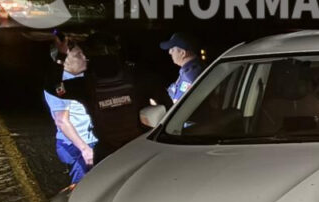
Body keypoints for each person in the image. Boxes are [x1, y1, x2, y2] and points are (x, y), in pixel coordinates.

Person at [45, 31, 170, 162]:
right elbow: (170, 109)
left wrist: (61, 56)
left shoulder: (85, 85)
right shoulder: (140, 77)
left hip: (108, 155)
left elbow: (53, 87)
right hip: (140, 150)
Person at [44, 39, 97, 184]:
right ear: (64, 62)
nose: (84, 57)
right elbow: (61, 120)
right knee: (82, 187)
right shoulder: (61, 85)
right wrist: (84, 149)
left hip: (93, 140)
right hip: (76, 145)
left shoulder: (83, 78)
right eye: (78, 55)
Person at [160, 33, 204, 103]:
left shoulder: (190, 76)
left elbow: (177, 104)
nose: (169, 52)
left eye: (172, 49)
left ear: (183, 53)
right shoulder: (189, 69)